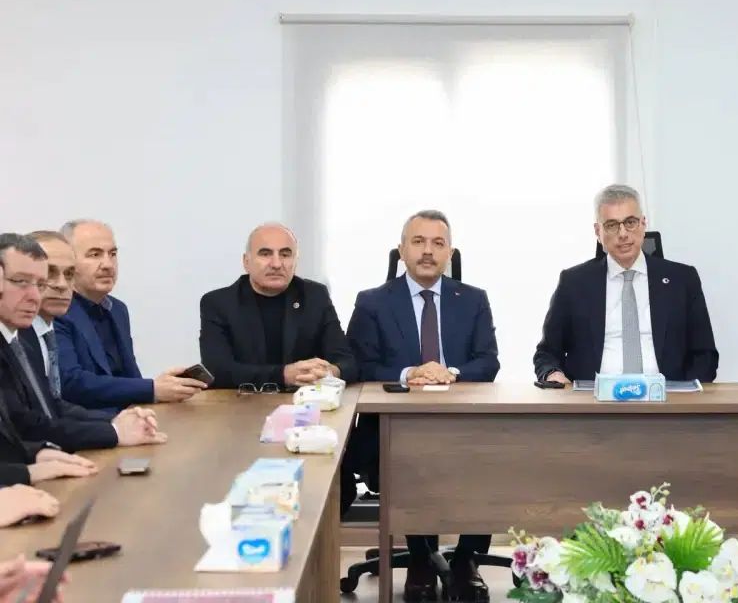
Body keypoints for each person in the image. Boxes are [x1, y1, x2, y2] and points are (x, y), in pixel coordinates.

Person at [345, 210, 499, 602]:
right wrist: (410, 372)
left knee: (493, 453)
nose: (428, 251)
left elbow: (488, 362)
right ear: (401, 251)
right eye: (418, 242)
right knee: (408, 455)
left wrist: (452, 373)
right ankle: (419, 556)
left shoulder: (474, 300)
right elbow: (358, 365)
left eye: (437, 243)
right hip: (395, 427)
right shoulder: (372, 302)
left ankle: (466, 558)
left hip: (461, 422)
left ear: (450, 253)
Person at [534, 184, 718, 384]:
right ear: (598, 231)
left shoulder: (682, 280)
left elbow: (705, 354)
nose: (622, 233)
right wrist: (553, 373)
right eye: (612, 225)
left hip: (666, 398)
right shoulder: (573, 283)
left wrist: (685, 395)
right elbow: (547, 352)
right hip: (593, 399)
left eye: (630, 222)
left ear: (643, 224)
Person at [0, 233, 164, 452]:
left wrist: (115, 423)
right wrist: (114, 430)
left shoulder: (24, 339)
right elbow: (29, 422)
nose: (60, 285)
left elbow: (47, 408)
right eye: (21, 282)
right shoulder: (21, 337)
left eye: (68, 274)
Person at [54, 220, 206, 411]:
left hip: (131, 417)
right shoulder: (58, 311)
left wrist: (164, 386)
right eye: (95, 254)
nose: (108, 264)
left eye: (112, 254)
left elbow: (130, 376)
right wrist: (152, 389)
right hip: (88, 422)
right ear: (68, 263)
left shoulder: (117, 309)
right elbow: (72, 383)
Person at [199, 223, 358, 388]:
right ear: (246, 262)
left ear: (295, 262)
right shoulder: (218, 303)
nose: (276, 264)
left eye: (285, 255)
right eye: (265, 254)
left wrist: (329, 372)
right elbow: (217, 371)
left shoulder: (314, 296)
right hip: (242, 401)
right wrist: (284, 375)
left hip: (303, 400)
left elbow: (348, 363)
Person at [0, 260, 101, 487]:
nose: (35, 296)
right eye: (21, 282)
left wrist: (36, 453)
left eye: (39, 284)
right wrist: (26, 472)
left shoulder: (20, 342)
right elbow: (27, 422)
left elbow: (16, 424)